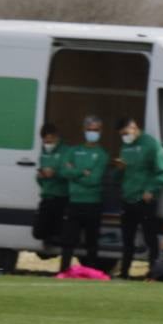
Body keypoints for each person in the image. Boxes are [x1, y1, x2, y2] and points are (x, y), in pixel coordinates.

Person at [113, 118, 163, 279]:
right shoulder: (125, 147)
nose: (124, 137)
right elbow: (120, 175)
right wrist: (119, 170)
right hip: (128, 198)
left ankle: (153, 272)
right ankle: (124, 272)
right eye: (121, 135)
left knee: (149, 238)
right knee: (127, 239)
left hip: (145, 200)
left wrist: (151, 190)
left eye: (126, 133)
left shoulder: (150, 144)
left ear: (134, 127)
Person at [58, 115, 112, 274]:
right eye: (89, 130)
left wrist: (74, 173)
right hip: (74, 202)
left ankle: (92, 273)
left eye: (95, 130)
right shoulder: (73, 150)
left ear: (101, 131)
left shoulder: (102, 154)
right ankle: (64, 271)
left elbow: (94, 180)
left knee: (91, 242)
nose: (92, 133)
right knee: (68, 241)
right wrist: (82, 172)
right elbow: (63, 172)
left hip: (93, 203)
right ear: (84, 130)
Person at [32, 122, 69, 252]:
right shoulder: (43, 152)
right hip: (46, 194)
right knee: (38, 231)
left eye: (50, 140)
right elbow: (39, 175)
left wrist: (55, 173)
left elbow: (68, 173)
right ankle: (48, 243)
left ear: (56, 137)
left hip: (61, 195)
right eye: (45, 140)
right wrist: (41, 176)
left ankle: (54, 246)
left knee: (57, 228)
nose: (47, 143)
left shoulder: (66, 151)